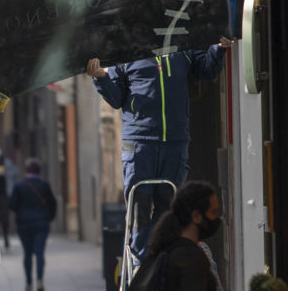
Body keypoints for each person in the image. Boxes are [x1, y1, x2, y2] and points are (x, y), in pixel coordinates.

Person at [86, 38, 235, 260]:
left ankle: (162, 258)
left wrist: (219, 48)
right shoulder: (125, 50)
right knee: (140, 208)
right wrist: (100, 77)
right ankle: (142, 264)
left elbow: (206, 70)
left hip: (174, 140)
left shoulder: (181, 45)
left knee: (171, 207)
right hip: (139, 141)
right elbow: (116, 99)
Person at [9, 158, 57, 291]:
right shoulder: (44, 185)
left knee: (28, 253)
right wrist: (49, 218)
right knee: (40, 253)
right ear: (39, 171)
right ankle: (40, 280)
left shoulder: (19, 186)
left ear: (26, 171)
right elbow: (52, 203)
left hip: (24, 224)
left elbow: (12, 204)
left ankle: (29, 282)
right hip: (41, 223)